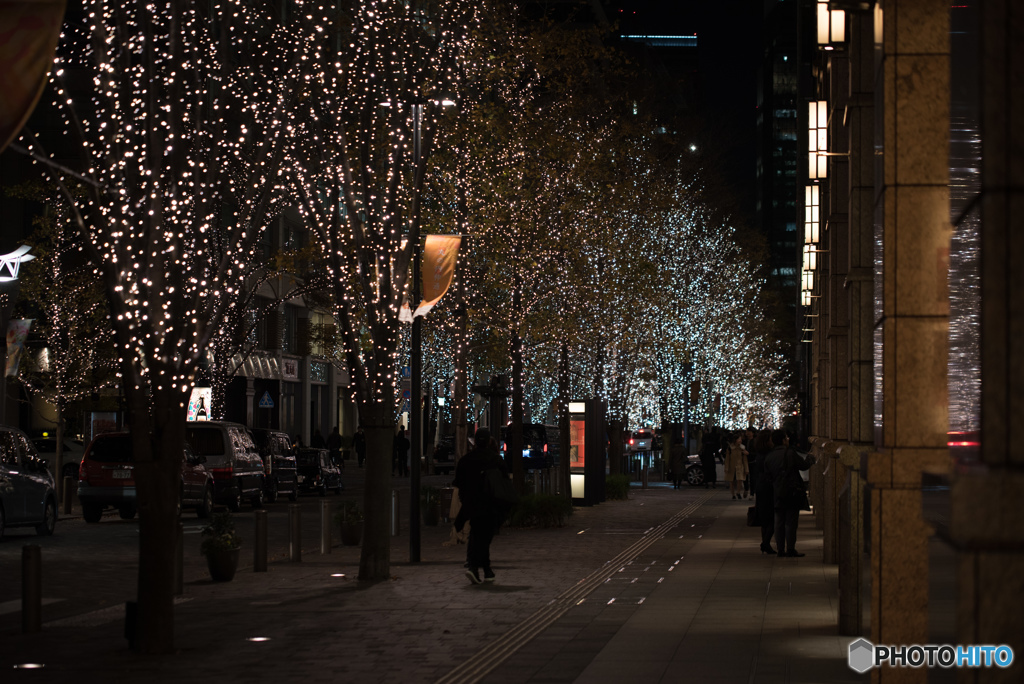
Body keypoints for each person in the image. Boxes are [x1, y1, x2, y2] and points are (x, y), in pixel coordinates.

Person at [452, 428, 508, 584]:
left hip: (472, 504)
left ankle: (481, 568)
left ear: (475, 441)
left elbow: (458, 483)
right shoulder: (495, 460)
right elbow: (504, 482)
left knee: (477, 535)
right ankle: (478, 568)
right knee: (484, 537)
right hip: (491, 504)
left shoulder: (466, 460)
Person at [763, 429, 815, 557]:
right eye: (786, 438)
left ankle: (780, 549)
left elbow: (767, 476)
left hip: (777, 492)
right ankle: (790, 548)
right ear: (782, 440)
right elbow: (803, 465)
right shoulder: (790, 453)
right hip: (791, 492)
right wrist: (810, 457)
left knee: (779, 522)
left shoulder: (769, 456)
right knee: (791, 522)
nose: (788, 440)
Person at [750, 430, 776, 554]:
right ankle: (765, 543)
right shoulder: (770, 454)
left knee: (764, 517)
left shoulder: (759, 453)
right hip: (769, 486)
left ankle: (765, 543)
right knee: (772, 516)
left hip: (760, 486)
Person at [723, 431, 749, 499]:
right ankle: (733, 494)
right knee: (731, 481)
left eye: (740, 439)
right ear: (735, 440)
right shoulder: (730, 448)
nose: (740, 440)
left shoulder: (742, 448)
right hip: (731, 467)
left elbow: (745, 460)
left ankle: (738, 492)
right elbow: (727, 459)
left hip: (740, 466)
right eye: (739, 439)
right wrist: (726, 468)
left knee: (739, 480)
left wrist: (746, 469)